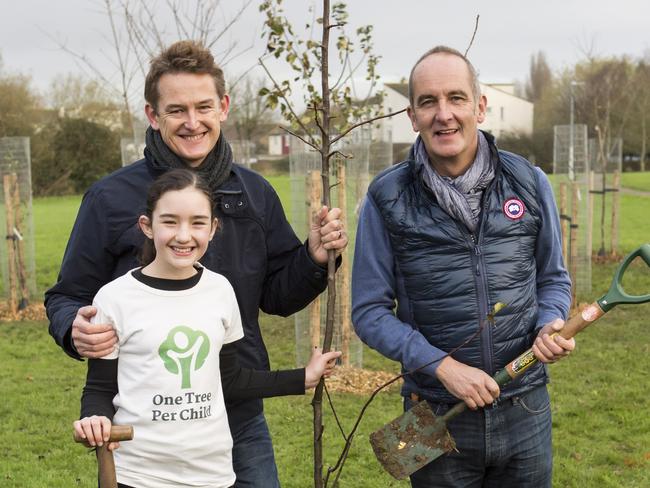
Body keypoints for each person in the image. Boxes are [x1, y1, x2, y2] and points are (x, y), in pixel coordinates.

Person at [46, 40, 348, 487]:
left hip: (238, 411)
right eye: (176, 110)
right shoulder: (110, 199)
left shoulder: (254, 193)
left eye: (204, 106)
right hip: (150, 424)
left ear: (223, 106)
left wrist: (315, 257)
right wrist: (75, 326)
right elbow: (67, 295)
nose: (193, 123)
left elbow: (278, 296)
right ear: (153, 115)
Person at [351, 45, 574, 488]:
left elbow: (553, 279)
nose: (444, 114)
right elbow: (369, 311)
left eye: (456, 98)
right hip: (434, 412)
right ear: (412, 116)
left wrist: (551, 322)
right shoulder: (386, 196)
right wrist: (442, 367)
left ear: (480, 106)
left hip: (525, 406)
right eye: (428, 102)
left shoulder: (529, 182)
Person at [73, 169, 341, 488]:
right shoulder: (115, 298)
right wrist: (95, 419)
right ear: (147, 226)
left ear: (213, 228)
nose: (184, 236)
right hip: (139, 473)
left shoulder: (220, 291)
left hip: (212, 472)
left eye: (197, 222)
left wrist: (303, 378)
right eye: (170, 221)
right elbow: (100, 388)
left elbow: (229, 379)